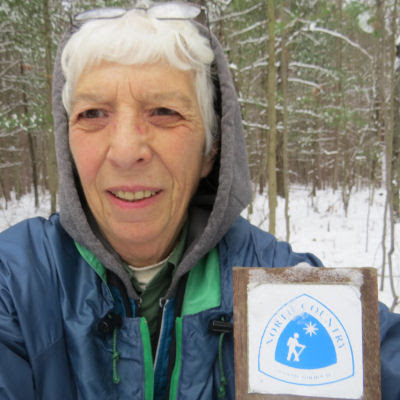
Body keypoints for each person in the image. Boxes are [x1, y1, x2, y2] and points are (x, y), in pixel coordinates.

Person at [0, 2, 399, 399]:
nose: (125, 150)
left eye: (164, 111)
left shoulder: (274, 282)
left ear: (211, 150)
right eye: (92, 114)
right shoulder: (16, 284)